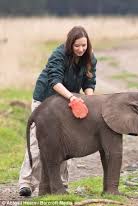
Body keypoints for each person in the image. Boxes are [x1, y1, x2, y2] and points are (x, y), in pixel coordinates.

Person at [19, 26, 97, 197]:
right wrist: (72, 98)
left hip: (66, 104)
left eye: (84, 45)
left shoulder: (90, 58)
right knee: (38, 142)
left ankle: (60, 184)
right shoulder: (58, 55)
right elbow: (54, 81)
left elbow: (89, 83)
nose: (81, 49)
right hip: (45, 101)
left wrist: (89, 100)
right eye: (77, 46)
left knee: (64, 143)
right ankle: (26, 183)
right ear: (70, 44)